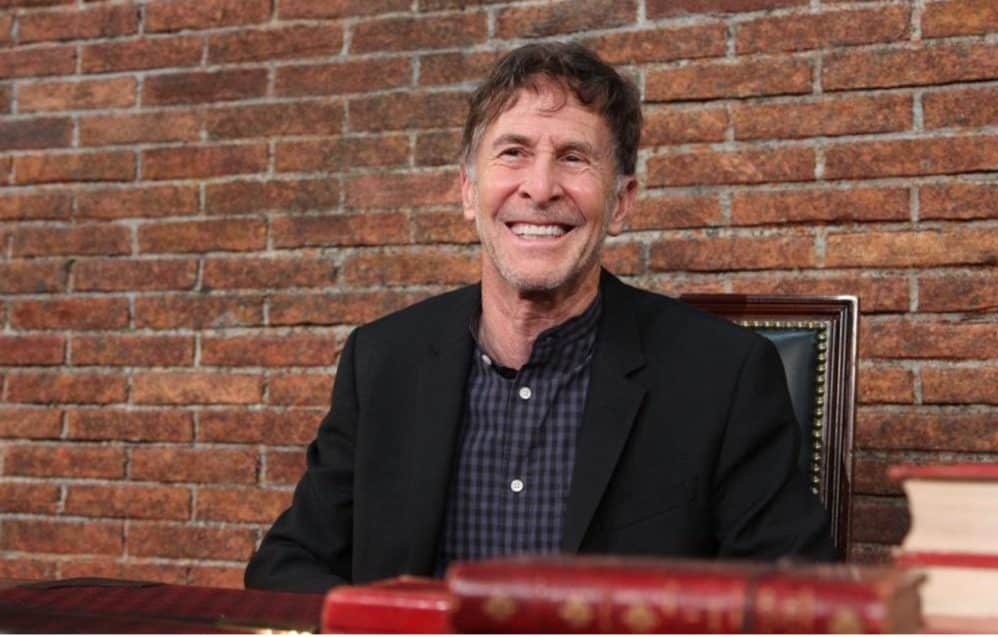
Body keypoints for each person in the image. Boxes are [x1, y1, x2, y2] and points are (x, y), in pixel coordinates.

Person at [245, 42, 834, 593]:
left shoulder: (723, 376)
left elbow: (793, 600)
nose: (541, 187)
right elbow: (285, 567)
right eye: (513, 153)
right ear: (469, 191)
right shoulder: (383, 362)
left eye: (574, 158)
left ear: (622, 201)